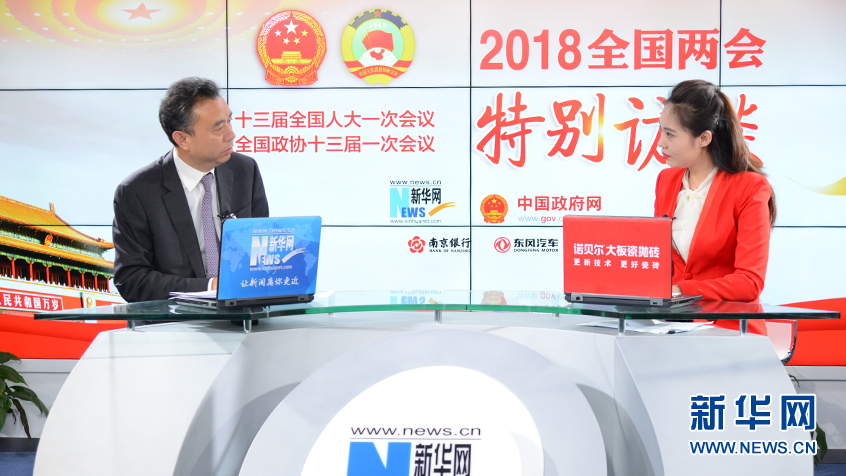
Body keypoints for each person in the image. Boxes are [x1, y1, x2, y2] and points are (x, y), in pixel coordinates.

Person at [113, 78, 269, 303]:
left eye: (229, 121)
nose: (231, 134)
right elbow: (132, 280)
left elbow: (261, 249)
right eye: (219, 128)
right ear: (182, 139)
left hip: (240, 313)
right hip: (175, 319)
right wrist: (210, 287)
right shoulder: (137, 192)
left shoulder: (244, 169)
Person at [654, 80, 776, 334]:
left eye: (670, 134)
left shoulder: (750, 187)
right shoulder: (666, 180)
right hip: (671, 329)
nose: (661, 143)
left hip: (730, 330)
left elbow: (749, 282)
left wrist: (680, 290)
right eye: (661, 132)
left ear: (704, 138)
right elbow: (662, 263)